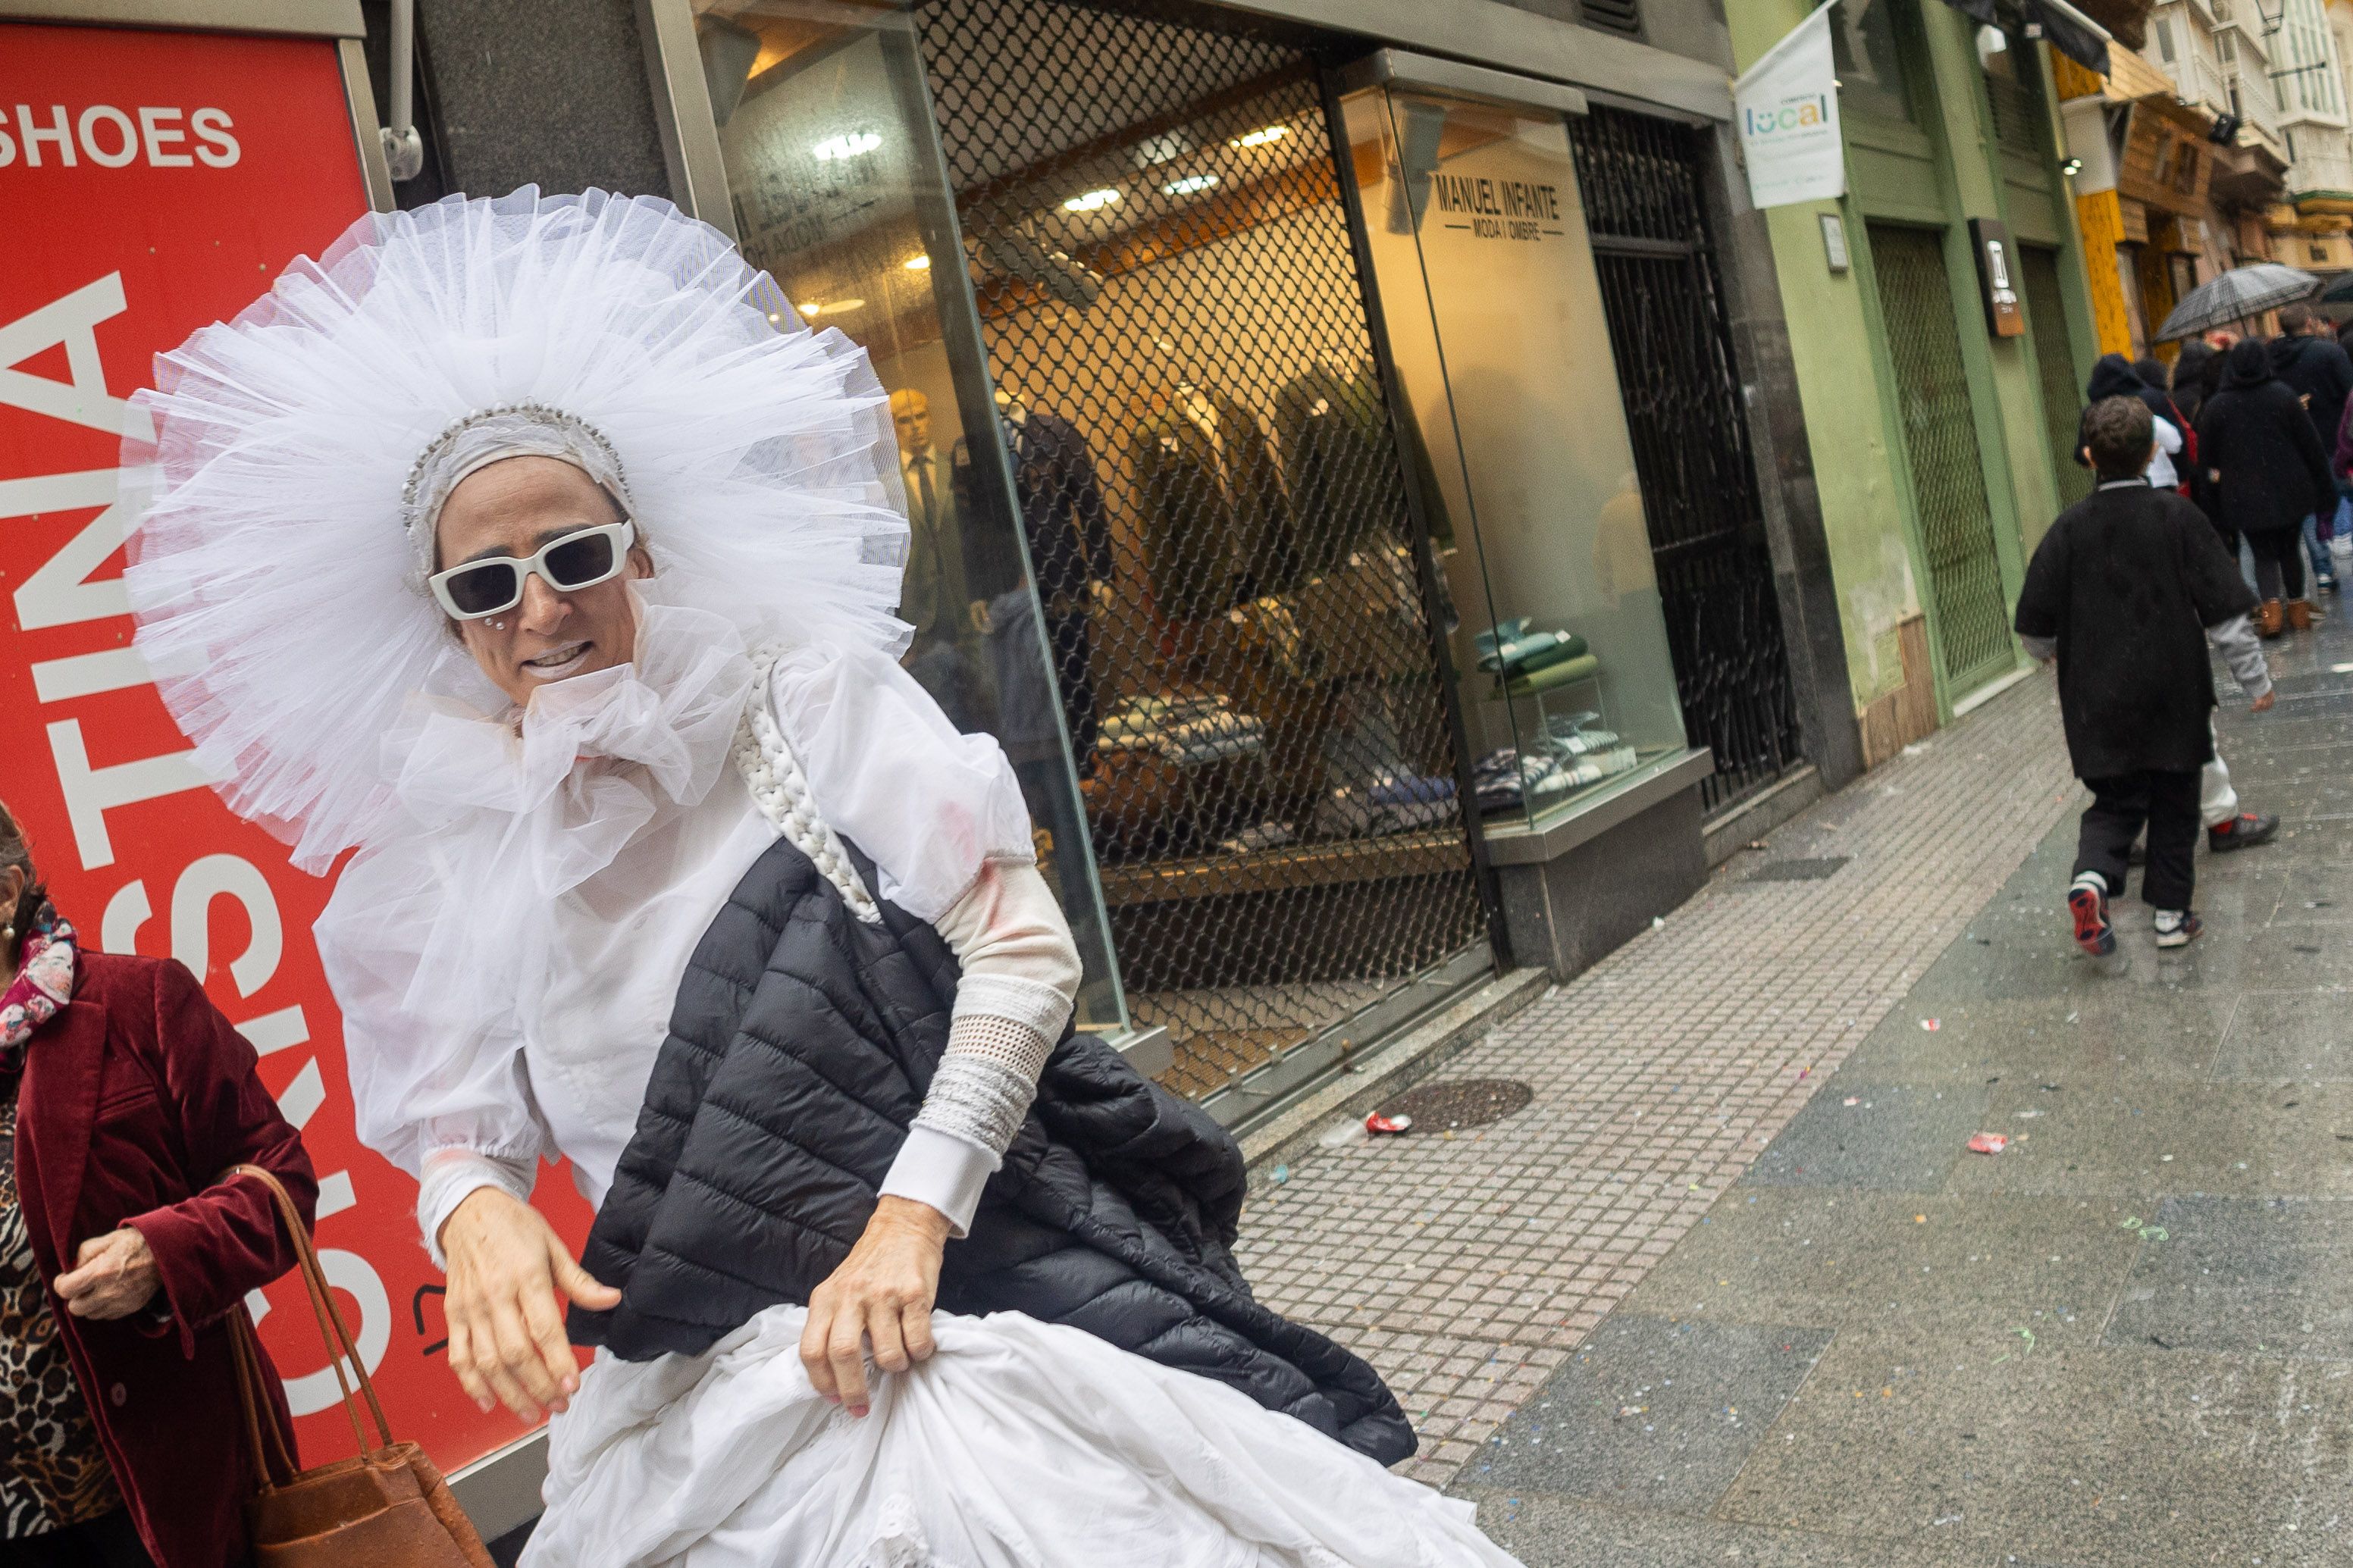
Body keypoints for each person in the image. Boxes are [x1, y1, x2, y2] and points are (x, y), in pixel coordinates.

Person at [120, 188, 1522, 1567]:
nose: (539, 608)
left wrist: (911, 1219)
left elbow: (1019, 947)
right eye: (485, 585)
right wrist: (470, 1209)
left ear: (641, 548)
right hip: (691, 1377)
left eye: (572, 554)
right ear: (442, 614)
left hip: (961, 1304)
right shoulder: (446, 843)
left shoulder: (795, 696)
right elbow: (459, 1122)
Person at [0, 802, 318, 1567]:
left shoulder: (138, 1002)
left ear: (7, 893)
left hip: (151, 1504)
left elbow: (283, 1178)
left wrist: (161, 1252)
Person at [2018, 397, 2275, 956]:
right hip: (2174, 693)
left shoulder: (2067, 530)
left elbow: (2035, 626)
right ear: (2153, 451)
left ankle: (2091, 879)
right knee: (2177, 801)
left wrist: (2055, 655)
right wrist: (2256, 680)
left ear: (2088, 457)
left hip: (2097, 699)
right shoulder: (2179, 518)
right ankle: (2171, 919)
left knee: (2114, 802)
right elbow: (2227, 615)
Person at [2197, 338, 2335, 635]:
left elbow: (2206, 460)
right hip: (2289, 491)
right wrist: (2325, 489)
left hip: (2243, 495)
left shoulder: (2218, 406)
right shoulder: (2284, 397)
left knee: (2262, 553)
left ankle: (2271, 611)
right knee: (2289, 549)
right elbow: (2312, 448)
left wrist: (2211, 501)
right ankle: (2298, 608)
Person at [2270, 303, 2353, 591]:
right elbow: (2350, 392)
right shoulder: (2330, 352)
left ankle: (2323, 573)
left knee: (2308, 509)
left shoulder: (2271, 359)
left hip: (2295, 448)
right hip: (2334, 442)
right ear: (2309, 322)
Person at [2079, 354, 2181, 488]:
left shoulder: (2093, 411)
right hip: (2160, 480)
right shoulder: (2153, 398)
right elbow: (2176, 443)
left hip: (2111, 486)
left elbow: (2081, 455)